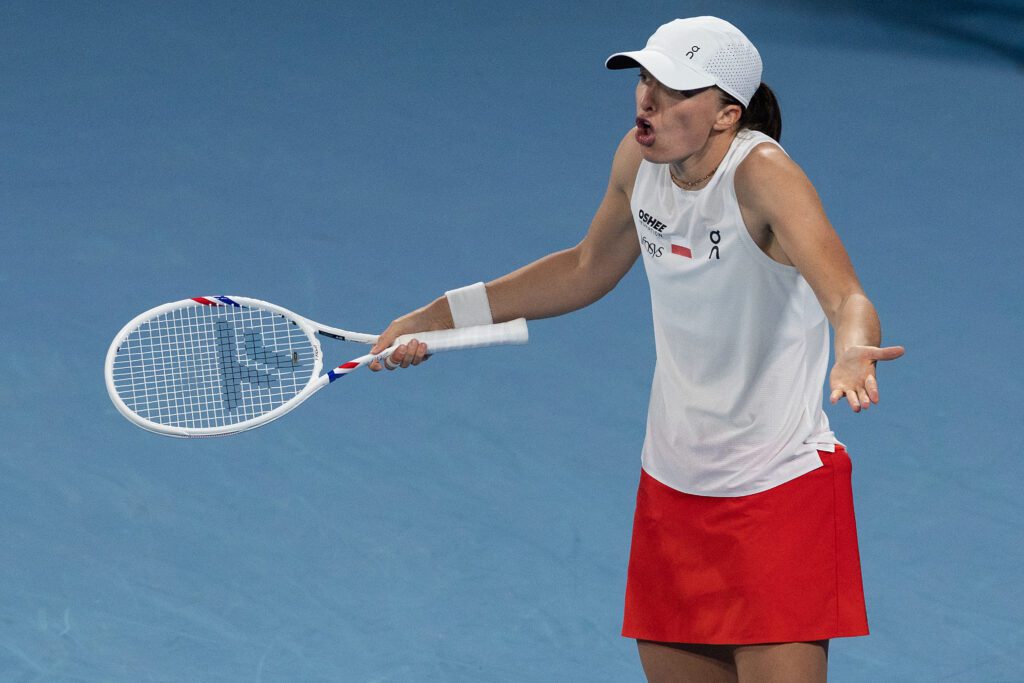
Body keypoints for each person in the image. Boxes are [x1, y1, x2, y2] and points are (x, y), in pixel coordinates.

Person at [368, 16, 904, 682]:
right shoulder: (637, 158)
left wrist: (854, 347)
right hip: (673, 489)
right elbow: (586, 266)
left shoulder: (763, 175)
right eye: (645, 78)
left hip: (777, 492)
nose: (647, 99)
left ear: (725, 114)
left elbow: (847, 296)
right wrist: (440, 315)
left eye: (674, 88)